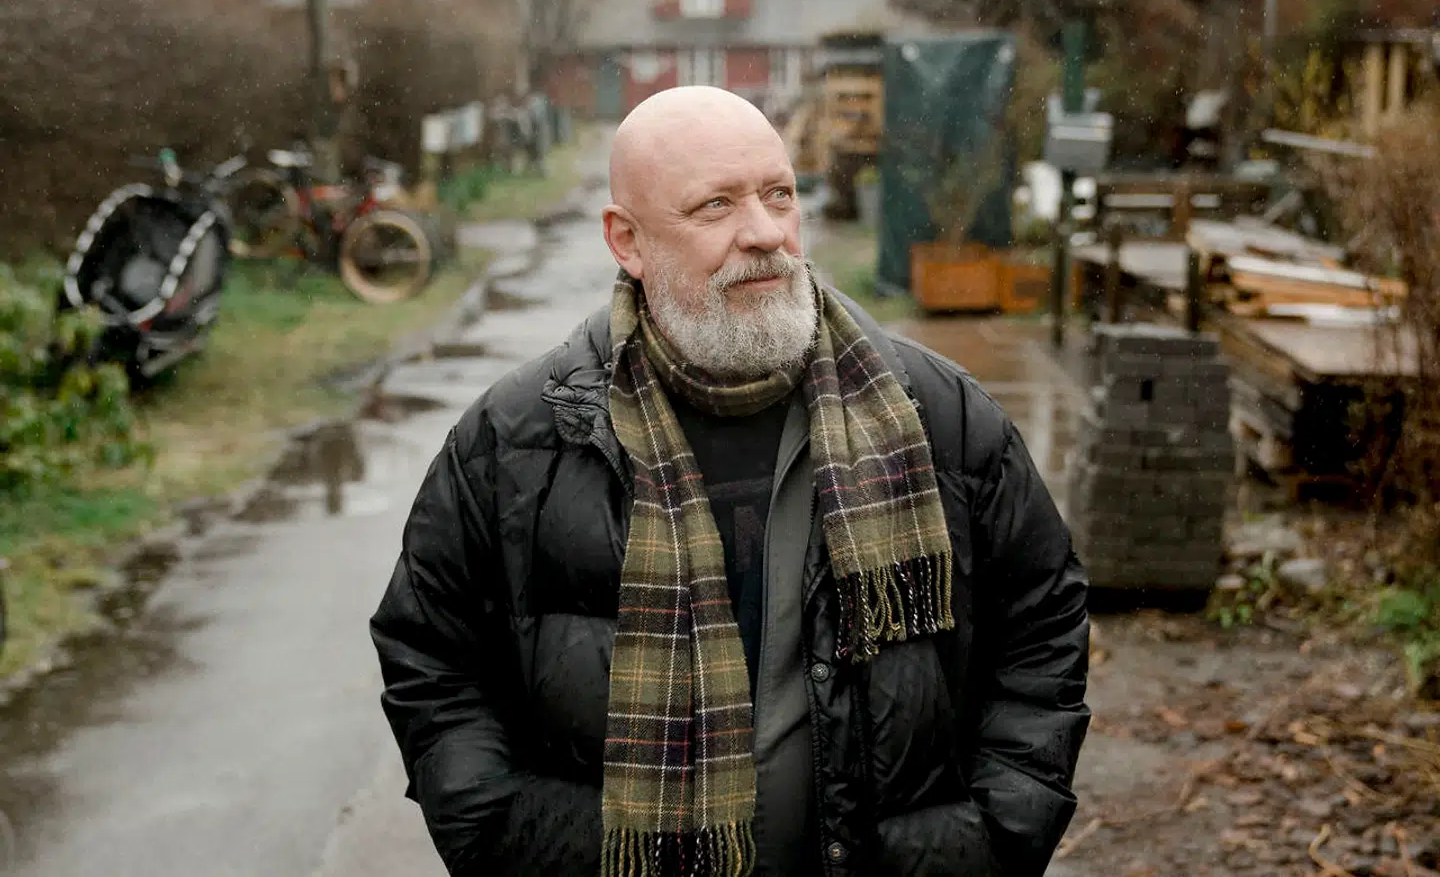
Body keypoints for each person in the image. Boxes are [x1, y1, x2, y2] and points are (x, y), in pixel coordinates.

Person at [370, 86, 1090, 877]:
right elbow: (433, 658)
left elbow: (1042, 624)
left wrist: (989, 836)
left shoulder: (941, 418)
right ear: (628, 240)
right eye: (714, 206)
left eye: (778, 195)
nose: (764, 233)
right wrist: (508, 837)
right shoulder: (515, 444)